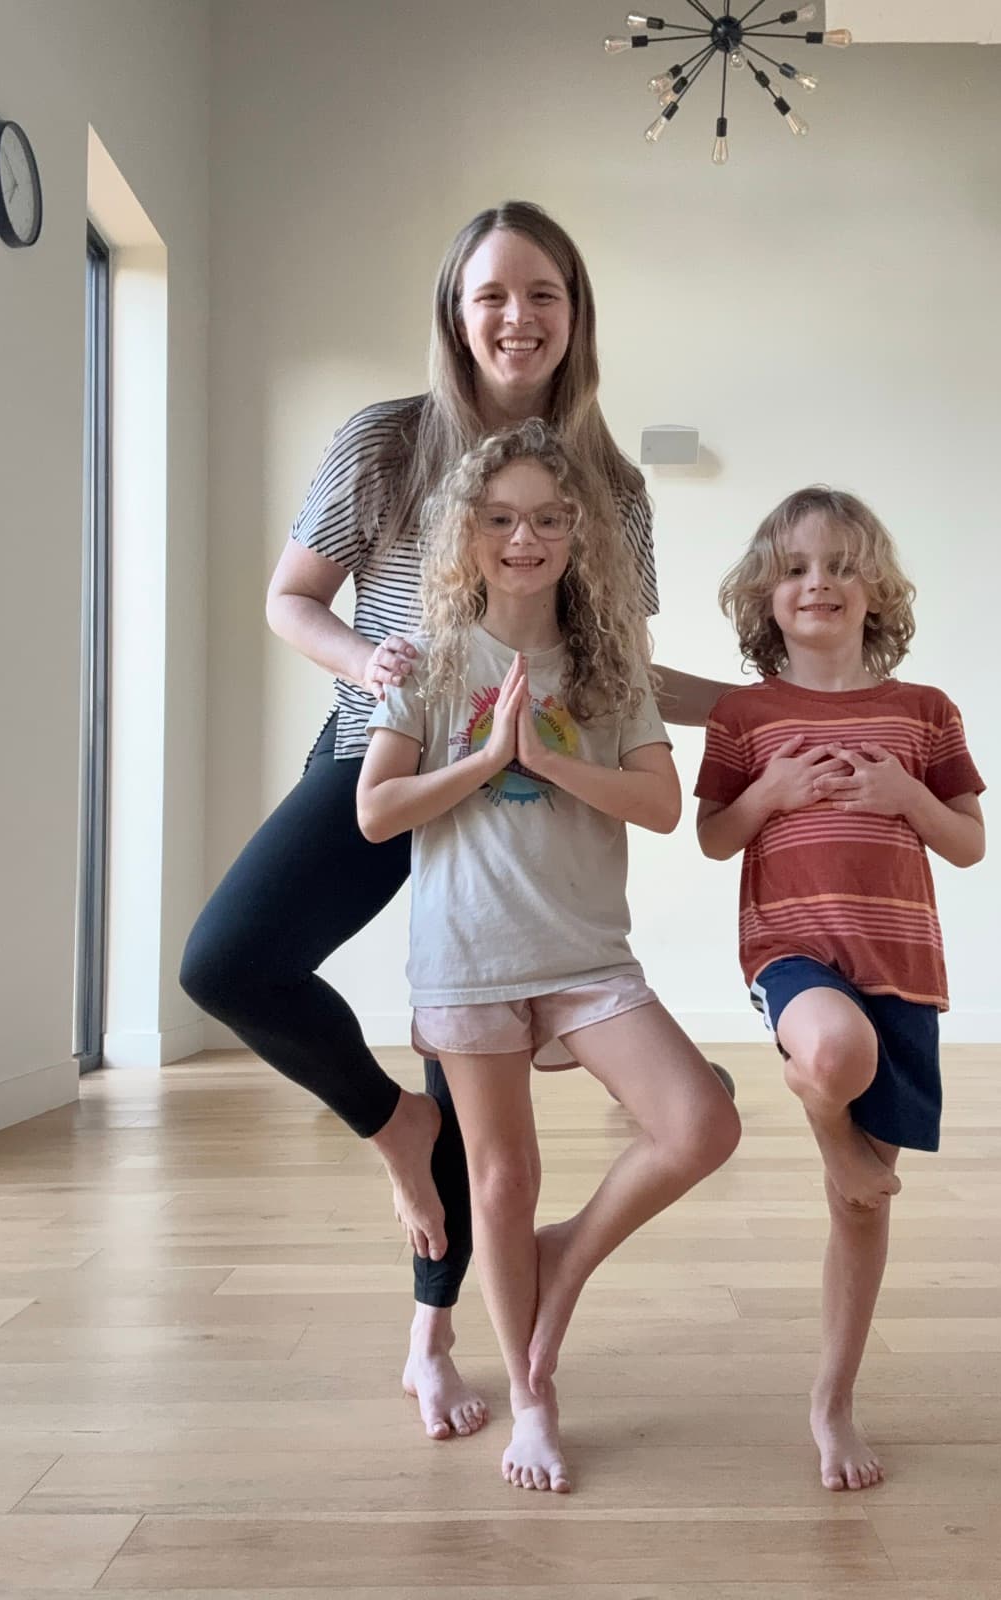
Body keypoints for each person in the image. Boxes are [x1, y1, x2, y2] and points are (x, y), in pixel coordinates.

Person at [178, 200, 732, 1442]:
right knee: (227, 963)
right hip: (397, 740)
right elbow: (290, 599)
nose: (517, 316)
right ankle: (399, 1126)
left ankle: (434, 1343)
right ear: (455, 311)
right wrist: (373, 663)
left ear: (574, 315)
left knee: (472, 1061)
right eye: (492, 294)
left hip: (534, 782)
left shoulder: (614, 486)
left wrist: (764, 709)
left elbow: (629, 668)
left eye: (543, 293)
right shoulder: (385, 441)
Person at [357, 421, 741, 1493]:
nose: (524, 536)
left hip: (584, 957)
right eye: (501, 517)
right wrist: (486, 757)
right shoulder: (431, 663)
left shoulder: (609, 668)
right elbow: (377, 810)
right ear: (468, 531)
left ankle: (565, 1256)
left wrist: (545, 760)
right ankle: (535, 1395)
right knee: (503, 1180)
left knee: (701, 1122)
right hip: (468, 960)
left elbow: (662, 805)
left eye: (548, 518)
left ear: (578, 534)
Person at [695, 486, 985, 1492]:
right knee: (828, 1052)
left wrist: (908, 796)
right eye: (794, 567)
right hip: (792, 951)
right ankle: (831, 1133)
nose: (816, 582)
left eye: (839, 565)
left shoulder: (924, 711)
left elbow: (970, 842)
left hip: (900, 964)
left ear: (876, 590)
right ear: (764, 597)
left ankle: (833, 1400)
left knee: (859, 1211)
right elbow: (716, 833)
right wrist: (770, 793)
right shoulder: (744, 715)